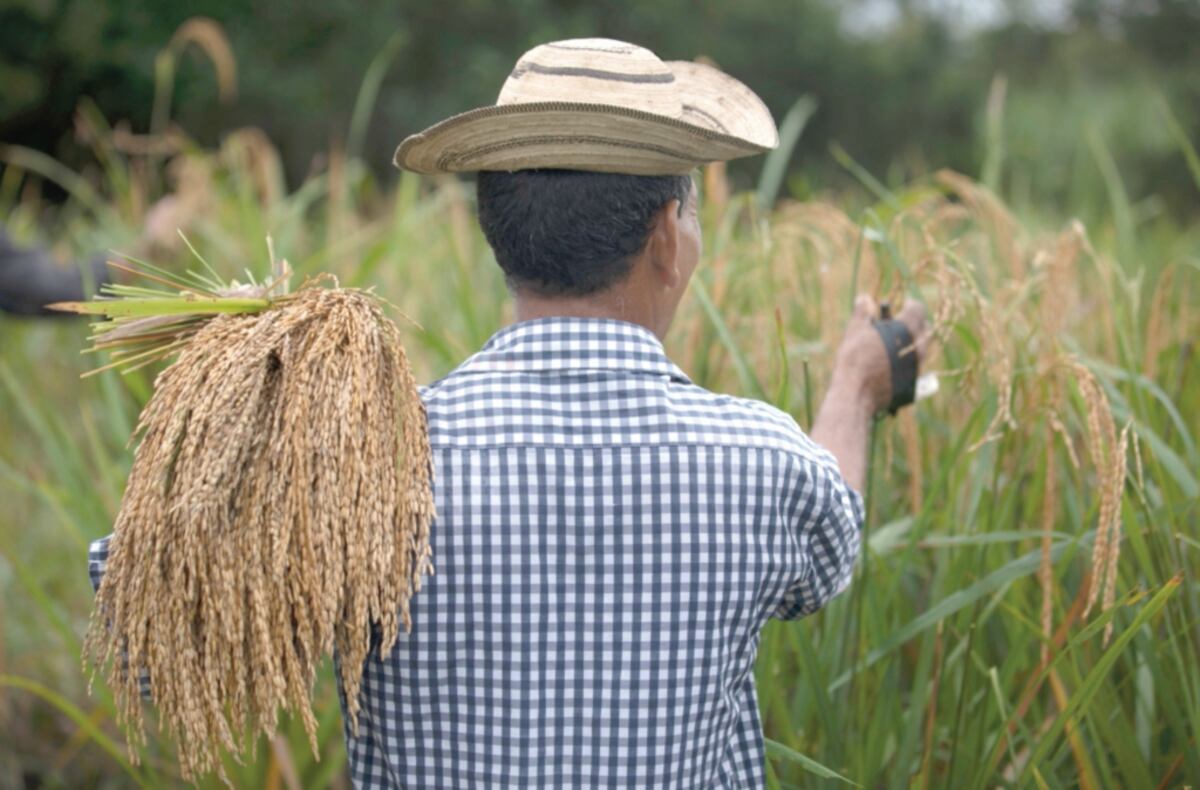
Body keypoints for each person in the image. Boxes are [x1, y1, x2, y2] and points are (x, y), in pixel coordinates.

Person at [89, 37, 929, 787]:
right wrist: (855, 387)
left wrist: (253, 428)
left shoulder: (368, 470)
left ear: (497, 232)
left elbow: (154, 628)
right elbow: (834, 530)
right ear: (668, 237)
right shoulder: (759, 462)